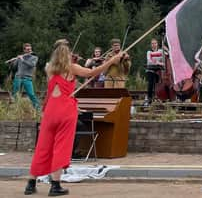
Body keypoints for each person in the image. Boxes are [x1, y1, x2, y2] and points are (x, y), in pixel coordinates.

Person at [23, 39, 123, 196]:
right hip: (65, 110)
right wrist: (111, 61)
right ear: (67, 54)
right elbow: (91, 73)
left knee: (43, 147)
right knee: (61, 147)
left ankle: (30, 183)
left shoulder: (49, 68)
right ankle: (55, 185)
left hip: (50, 110)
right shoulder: (72, 67)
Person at [10, 43, 40, 110]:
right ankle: (15, 109)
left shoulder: (34, 57)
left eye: (30, 49)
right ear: (24, 50)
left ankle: (38, 109)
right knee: (15, 94)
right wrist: (13, 61)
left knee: (31, 94)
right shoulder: (20, 57)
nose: (29, 50)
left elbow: (32, 65)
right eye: (27, 49)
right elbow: (14, 67)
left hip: (27, 78)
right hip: (18, 77)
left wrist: (23, 60)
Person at [144, 38, 165, 106]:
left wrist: (166, 49)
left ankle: (158, 97)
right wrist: (158, 63)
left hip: (158, 71)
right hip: (150, 70)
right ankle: (149, 99)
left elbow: (165, 59)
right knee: (150, 85)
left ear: (157, 44)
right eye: (152, 43)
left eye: (155, 43)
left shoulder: (161, 51)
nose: (154, 45)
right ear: (151, 45)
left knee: (157, 85)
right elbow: (149, 61)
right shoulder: (149, 52)